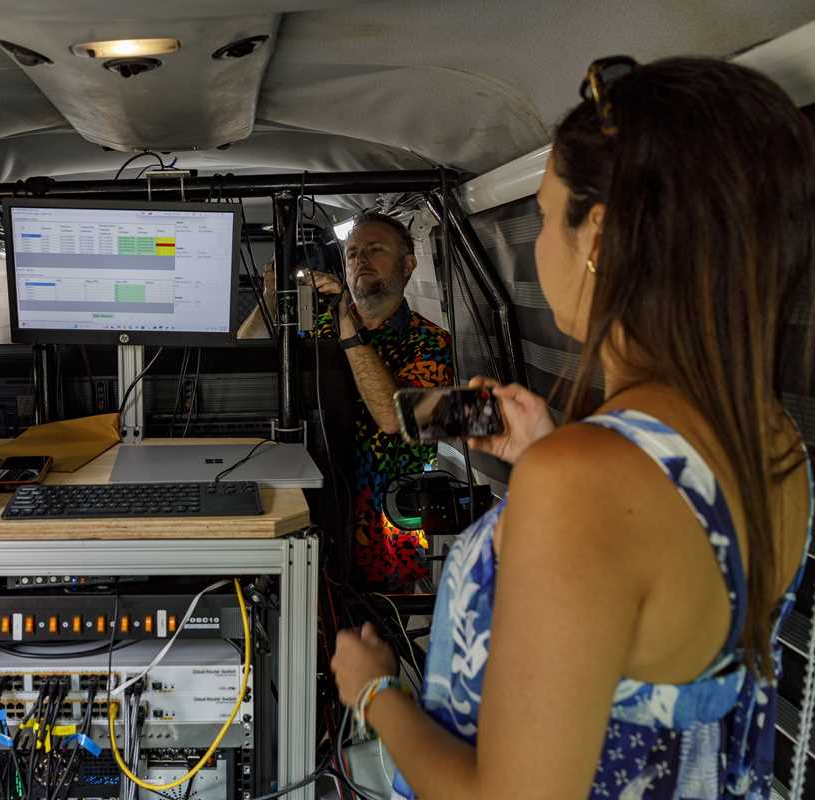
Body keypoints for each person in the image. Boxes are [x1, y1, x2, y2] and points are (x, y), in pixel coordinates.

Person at [331, 56, 814, 798]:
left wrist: (375, 692)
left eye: (546, 215)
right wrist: (547, 451)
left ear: (598, 237)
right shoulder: (772, 437)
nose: (537, 243)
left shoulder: (584, 477)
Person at [238, 214, 453, 587]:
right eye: (352, 253)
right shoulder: (317, 324)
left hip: (386, 539)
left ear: (408, 265)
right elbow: (240, 359)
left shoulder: (431, 342)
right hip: (310, 523)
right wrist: (270, 300)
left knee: (382, 624)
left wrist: (346, 324)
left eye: (375, 249)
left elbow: (394, 418)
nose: (360, 260)